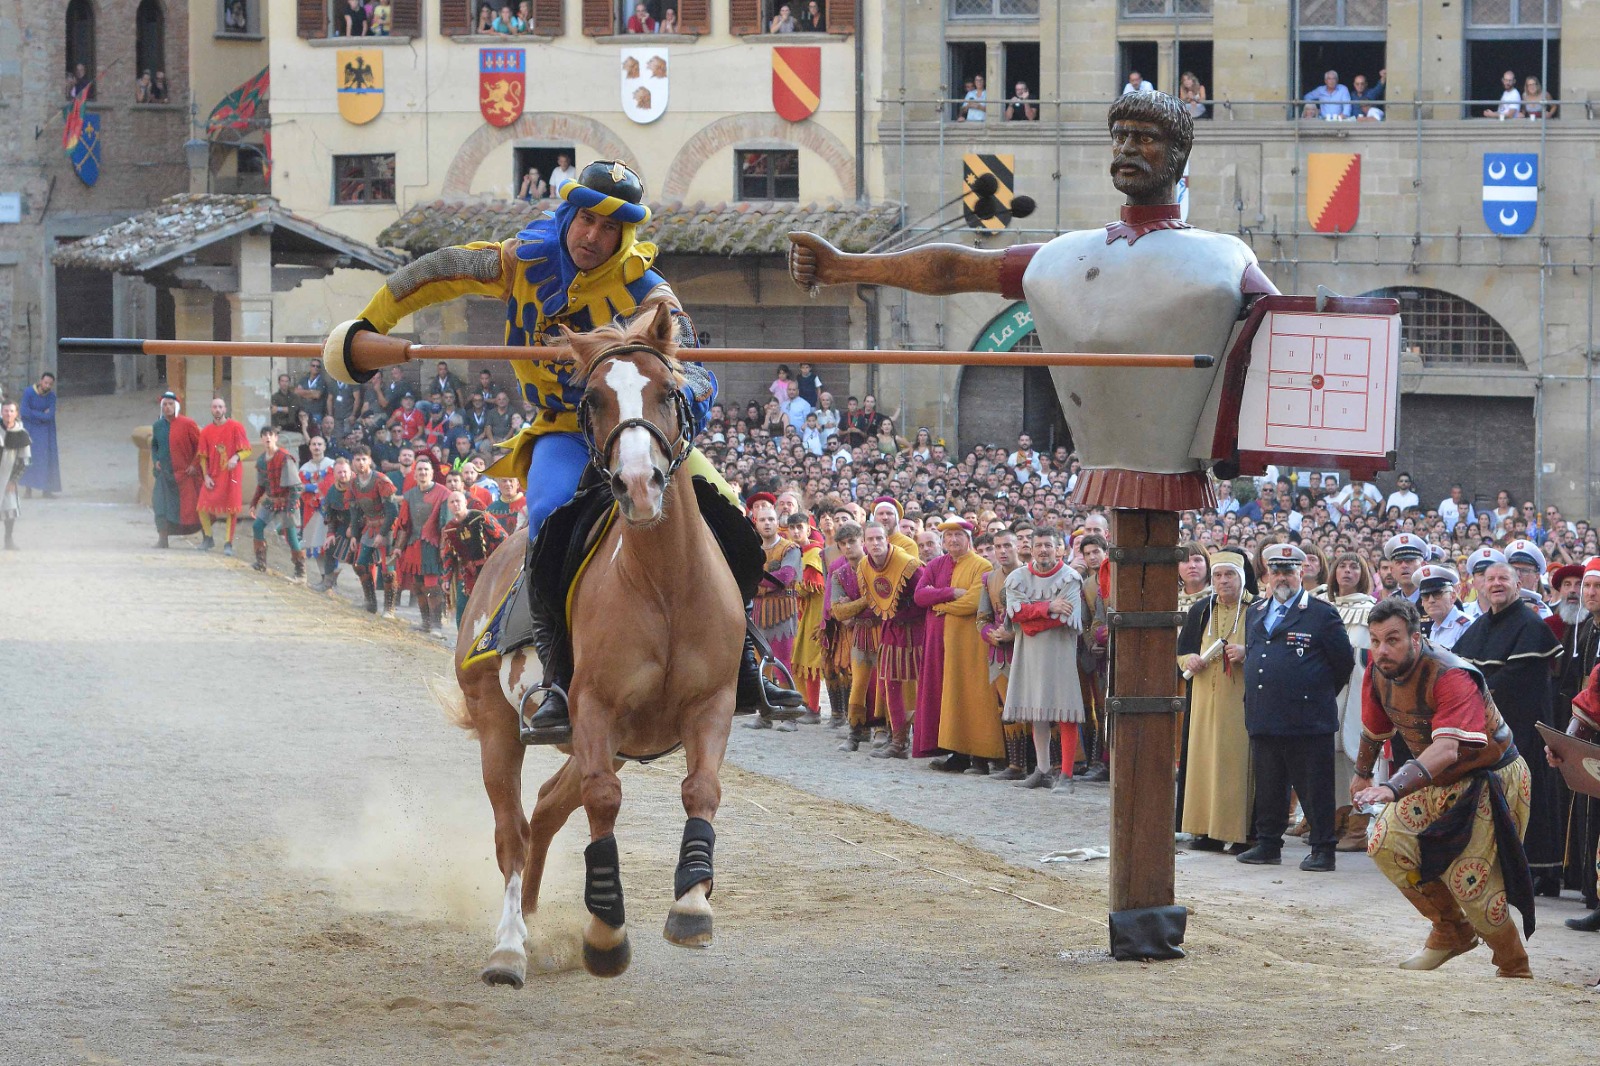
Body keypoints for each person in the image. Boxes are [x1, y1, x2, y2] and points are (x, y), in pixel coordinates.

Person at [323, 160, 797, 735]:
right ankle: (553, 679)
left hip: (641, 431)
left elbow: (695, 370)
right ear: (568, 214)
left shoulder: (650, 293)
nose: (592, 237)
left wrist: (672, 399)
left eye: (609, 228)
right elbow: (436, 272)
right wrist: (368, 323)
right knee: (546, 519)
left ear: (626, 236)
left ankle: (744, 661)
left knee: (728, 514)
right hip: (563, 431)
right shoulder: (517, 260)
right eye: (585, 220)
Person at [1354, 597, 1535, 978]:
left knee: (1470, 881)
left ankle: (1514, 965)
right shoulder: (1379, 669)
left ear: (1416, 638)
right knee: (1385, 841)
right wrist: (1362, 772)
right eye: (1375, 641)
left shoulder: (1451, 674)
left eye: (1392, 640)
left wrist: (1391, 788)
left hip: (1491, 780)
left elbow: (1449, 748)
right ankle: (1451, 931)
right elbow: (1375, 728)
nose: (1382, 651)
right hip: (1433, 777)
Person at [1235, 543, 1355, 872]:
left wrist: (1311, 694)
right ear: (1266, 576)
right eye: (1276, 571)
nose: (1283, 577)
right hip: (1264, 714)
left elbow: (1342, 665)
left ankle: (1322, 849)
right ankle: (1268, 843)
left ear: (1302, 572)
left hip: (1307, 718)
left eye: (1289, 570)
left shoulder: (1321, 612)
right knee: (1270, 784)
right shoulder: (1256, 611)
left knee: (1314, 787)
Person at [1452, 561, 1565, 895]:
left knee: (1526, 801)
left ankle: (1538, 873)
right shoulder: (1477, 627)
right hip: (1485, 734)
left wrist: (1474, 695)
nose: (1496, 584)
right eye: (1490, 579)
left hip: (1522, 734)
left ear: (1518, 585)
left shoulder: (1531, 625)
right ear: (1481, 587)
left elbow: (1517, 682)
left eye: (1503, 578)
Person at [1176, 549, 1255, 848]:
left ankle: (1239, 834)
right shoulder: (1200, 609)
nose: (1223, 581)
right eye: (1218, 575)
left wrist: (1248, 653)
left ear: (1242, 577)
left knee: (1234, 764)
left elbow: (1269, 652)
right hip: (1204, 702)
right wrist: (1188, 660)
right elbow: (1182, 651)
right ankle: (1205, 831)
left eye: (1230, 575)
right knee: (1203, 762)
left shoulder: (1256, 609)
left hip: (1241, 701)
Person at [1004, 526, 1086, 791]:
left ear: (1058, 548)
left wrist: (1031, 618)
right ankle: (1042, 770)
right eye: (1038, 545)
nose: (1042, 550)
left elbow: (1067, 617)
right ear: (1029, 547)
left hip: (1060, 652)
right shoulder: (1017, 578)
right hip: (1029, 654)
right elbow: (1015, 613)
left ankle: (1066, 775)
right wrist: (1047, 607)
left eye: (1048, 545)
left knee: (1065, 711)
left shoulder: (1070, 577)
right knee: (1036, 711)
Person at [915, 518, 999, 770]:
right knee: (945, 695)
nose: (953, 540)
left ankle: (978, 755)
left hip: (968, 644)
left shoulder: (981, 565)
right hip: (938, 642)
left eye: (958, 535)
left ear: (968, 539)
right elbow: (920, 595)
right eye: (948, 536)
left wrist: (938, 604)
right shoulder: (935, 564)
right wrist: (949, 593)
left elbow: (972, 602)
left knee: (970, 695)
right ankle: (955, 753)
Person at [858, 520, 925, 759]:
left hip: (917, 631)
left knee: (922, 685)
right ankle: (898, 741)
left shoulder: (909, 565)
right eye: (870, 539)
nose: (875, 543)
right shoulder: (865, 565)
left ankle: (924, 739)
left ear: (887, 540)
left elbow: (924, 597)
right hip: (890, 631)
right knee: (890, 686)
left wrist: (902, 613)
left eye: (879, 539)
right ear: (864, 543)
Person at [828, 521, 881, 751]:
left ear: (862, 542)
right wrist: (865, 602)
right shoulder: (839, 574)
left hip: (882, 632)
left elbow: (883, 604)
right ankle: (856, 733)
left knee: (882, 684)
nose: (848, 547)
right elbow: (839, 613)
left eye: (852, 542)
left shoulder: (878, 568)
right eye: (843, 544)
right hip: (859, 634)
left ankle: (882, 731)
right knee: (858, 684)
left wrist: (854, 606)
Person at [979, 527, 1026, 779]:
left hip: (1029, 652)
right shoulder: (989, 579)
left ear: (1018, 546)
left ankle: (1044, 766)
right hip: (1000, 656)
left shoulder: (1032, 574)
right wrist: (992, 635)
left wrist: (1014, 634)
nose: (1002, 551)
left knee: (1036, 708)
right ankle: (1016, 765)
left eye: (1007, 546)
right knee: (1006, 708)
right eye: (998, 547)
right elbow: (982, 619)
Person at [390, 455, 452, 632]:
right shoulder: (409, 495)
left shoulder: (443, 494)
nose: (423, 472)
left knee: (432, 585)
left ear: (432, 473)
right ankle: (425, 623)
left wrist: (443, 548)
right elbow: (404, 524)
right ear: (415, 474)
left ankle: (436, 624)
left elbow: (445, 525)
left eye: (426, 470)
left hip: (432, 546)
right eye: (420, 470)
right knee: (417, 585)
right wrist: (398, 548)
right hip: (413, 546)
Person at [440, 489, 508, 627]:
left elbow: (503, 539)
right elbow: (448, 555)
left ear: (465, 502)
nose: (455, 504)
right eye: (452, 502)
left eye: (458, 501)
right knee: (463, 612)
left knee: (489, 610)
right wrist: (446, 579)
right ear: (448, 506)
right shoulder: (449, 528)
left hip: (490, 571)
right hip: (467, 576)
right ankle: (463, 646)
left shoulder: (481, 517)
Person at [785, 511, 828, 720]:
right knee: (797, 659)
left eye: (799, 527)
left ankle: (813, 707)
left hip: (814, 614)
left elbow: (813, 585)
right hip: (798, 613)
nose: (795, 532)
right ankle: (802, 703)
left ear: (808, 529)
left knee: (810, 660)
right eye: (792, 528)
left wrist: (791, 584)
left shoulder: (814, 553)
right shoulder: (792, 551)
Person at [195, 396, 251, 555]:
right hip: (214, 474)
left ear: (225, 409)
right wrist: (206, 476)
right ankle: (208, 537)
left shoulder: (236, 427)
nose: (218, 410)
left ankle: (228, 543)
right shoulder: (206, 432)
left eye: (220, 407)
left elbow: (246, 450)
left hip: (232, 475)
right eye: (214, 407)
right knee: (202, 506)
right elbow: (203, 457)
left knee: (231, 509)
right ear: (211, 410)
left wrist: (236, 457)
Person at [249, 425, 305, 580]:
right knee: (257, 526)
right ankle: (261, 563)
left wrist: (292, 506)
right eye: (264, 435)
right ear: (261, 439)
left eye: (270, 435)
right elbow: (261, 485)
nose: (267, 438)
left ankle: (300, 572)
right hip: (272, 500)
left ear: (276, 438)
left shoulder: (284, 458)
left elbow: (296, 486)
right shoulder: (261, 461)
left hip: (288, 500)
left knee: (291, 535)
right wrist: (254, 502)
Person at [150, 391, 202, 549]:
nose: (167, 407)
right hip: (164, 475)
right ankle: (163, 539)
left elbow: (201, 447)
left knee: (193, 507)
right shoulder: (158, 426)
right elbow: (154, 446)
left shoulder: (188, 424)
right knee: (160, 504)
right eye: (164, 404)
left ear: (176, 406)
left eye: (170, 404)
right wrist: (156, 460)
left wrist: (194, 465)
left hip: (185, 475)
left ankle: (207, 538)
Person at [19, 372, 60, 498]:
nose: (47, 386)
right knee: (29, 458)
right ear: (40, 381)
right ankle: (28, 490)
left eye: (50, 384)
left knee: (48, 458)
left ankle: (46, 490)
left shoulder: (52, 396)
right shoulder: (28, 392)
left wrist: (34, 414)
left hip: (46, 432)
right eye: (45, 382)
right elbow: (24, 412)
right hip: (30, 430)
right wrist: (41, 414)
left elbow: (49, 415)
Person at [1416, 563, 1472, 651]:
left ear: (1453, 596)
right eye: (1426, 596)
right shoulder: (1434, 628)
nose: (1431, 600)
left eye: (1437, 594)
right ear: (1422, 602)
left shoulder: (1466, 626)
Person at [0, 401, 30, 550]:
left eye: (11, 411)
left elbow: (24, 460)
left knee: (10, 510)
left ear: (16, 413)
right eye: (5, 411)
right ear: (1, 412)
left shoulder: (21, 434)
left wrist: (14, 480)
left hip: (7, 477)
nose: (8, 414)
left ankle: (8, 539)